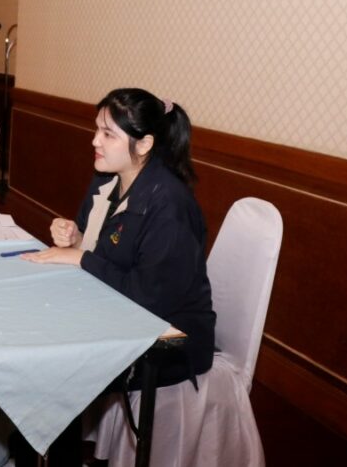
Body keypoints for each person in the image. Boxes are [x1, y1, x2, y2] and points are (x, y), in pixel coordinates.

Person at [22, 87, 215, 385]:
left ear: (144, 144)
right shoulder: (107, 178)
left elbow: (149, 298)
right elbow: (103, 249)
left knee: (52, 367)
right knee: (34, 327)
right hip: (114, 311)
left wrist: (80, 258)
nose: (95, 140)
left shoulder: (169, 206)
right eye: (97, 129)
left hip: (168, 343)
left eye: (108, 134)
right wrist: (74, 237)